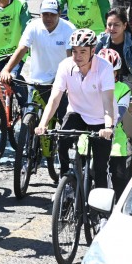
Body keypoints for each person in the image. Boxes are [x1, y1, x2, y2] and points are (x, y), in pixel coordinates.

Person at [35, 29, 115, 189]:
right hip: (77, 112)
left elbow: (107, 101)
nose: (78, 56)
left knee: (100, 168)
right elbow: (55, 98)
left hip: (101, 118)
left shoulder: (105, 68)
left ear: (93, 51)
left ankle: (101, 211)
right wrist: (43, 124)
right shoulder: (65, 66)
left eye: (83, 52)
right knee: (63, 142)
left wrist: (108, 127)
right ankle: (66, 184)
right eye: (74, 51)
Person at [96, 48, 132, 199]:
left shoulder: (123, 89)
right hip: (90, 134)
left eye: (112, 72)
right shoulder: (90, 83)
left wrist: (110, 127)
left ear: (117, 73)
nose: (107, 75)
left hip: (115, 136)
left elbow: (120, 113)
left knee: (120, 180)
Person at [95, 7, 132, 95]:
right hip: (103, 79)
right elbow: (88, 59)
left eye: (116, 25)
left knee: (118, 99)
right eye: (109, 24)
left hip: (126, 81)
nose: (112, 28)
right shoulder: (101, 40)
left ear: (124, 25)